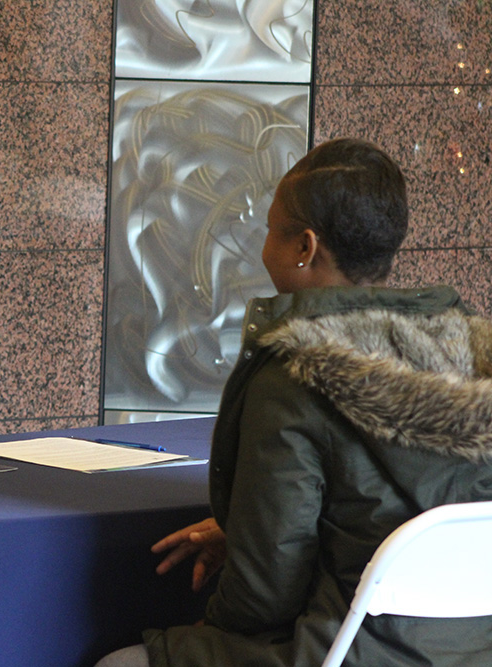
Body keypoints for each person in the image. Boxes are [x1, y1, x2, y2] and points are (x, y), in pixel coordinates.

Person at [97, 138, 492, 666]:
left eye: (267, 230)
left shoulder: (294, 373)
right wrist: (242, 525)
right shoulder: (469, 348)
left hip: (346, 652)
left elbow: (265, 593)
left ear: (304, 248)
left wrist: (208, 629)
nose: (262, 247)